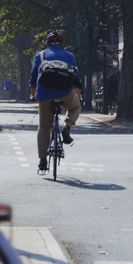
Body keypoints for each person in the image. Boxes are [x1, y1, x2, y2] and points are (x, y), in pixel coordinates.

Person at [29, 31, 83, 172]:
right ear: (62, 43)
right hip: (65, 93)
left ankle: (42, 160)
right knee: (76, 107)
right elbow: (76, 78)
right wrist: (77, 95)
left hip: (45, 95)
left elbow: (33, 78)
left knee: (44, 128)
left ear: (47, 43)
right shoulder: (69, 55)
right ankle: (67, 127)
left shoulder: (40, 55)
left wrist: (34, 95)